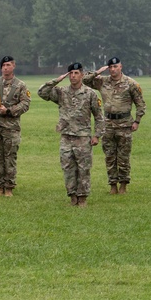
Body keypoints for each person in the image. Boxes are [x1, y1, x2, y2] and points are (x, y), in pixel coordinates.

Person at [38, 63, 103, 206]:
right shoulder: (62, 92)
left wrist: (97, 135)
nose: (73, 76)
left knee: (83, 168)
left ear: (82, 74)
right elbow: (42, 92)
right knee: (68, 168)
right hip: (66, 136)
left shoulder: (90, 93)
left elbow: (98, 116)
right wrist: (56, 80)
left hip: (83, 137)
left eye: (76, 73)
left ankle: (83, 197)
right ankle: (72, 195)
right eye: (71, 73)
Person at [83, 57, 146, 194]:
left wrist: (137, 121)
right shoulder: (103, 81)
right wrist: (97, 72)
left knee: (123, 156)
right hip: (108, 124)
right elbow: (85, 80)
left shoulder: (131, 83)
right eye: (110, 67)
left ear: (120, 67)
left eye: (115, 67)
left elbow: (140, 103)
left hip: (124, 124)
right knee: (110, 156)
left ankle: (123, 185)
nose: (112, 69)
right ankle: (112, 184)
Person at [0, 56, 31, 197]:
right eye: (3, 65)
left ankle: (9, 186)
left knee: (9, 156)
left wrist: (9, 110)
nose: (5, 67)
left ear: (13, 66)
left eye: (8, 65)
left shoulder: (20, 85)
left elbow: (25, 104)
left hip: (10, 126)